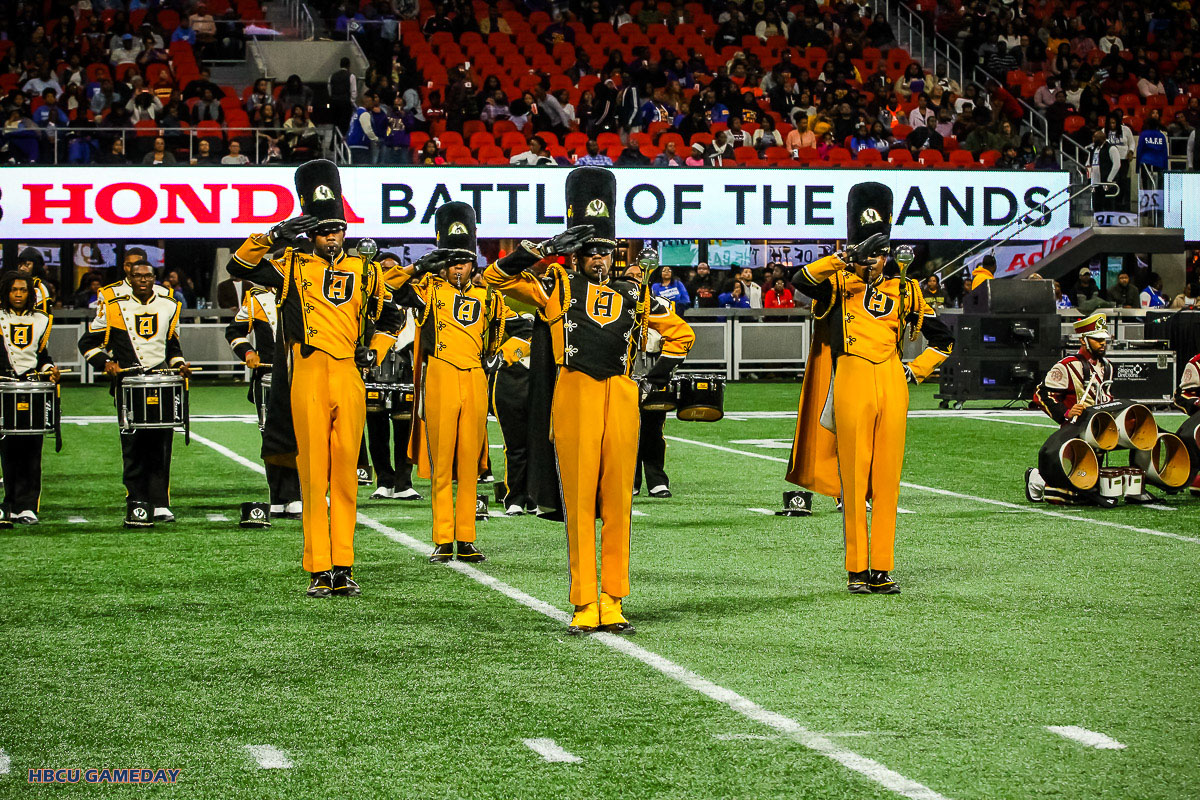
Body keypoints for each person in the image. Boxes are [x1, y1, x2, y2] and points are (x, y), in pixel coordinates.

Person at [482, 167, 695, 635]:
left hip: (620, 395)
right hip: (574, 394)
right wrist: (541, 250)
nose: (599, 259)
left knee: (618, 502)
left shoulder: (637, 294)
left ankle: (613, 599)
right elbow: (494, 279)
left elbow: (682, 334)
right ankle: (583, 601)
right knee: (578, 503)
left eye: (606, 251)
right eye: (590, 252)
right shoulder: (555, 287)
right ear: (576, 256)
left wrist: (651, 378)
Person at [226, 160, 403, 599]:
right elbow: (238, 266)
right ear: (310, 234)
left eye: (337, 229)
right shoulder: (290, 265)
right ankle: (318, 567)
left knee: (346, 475)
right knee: (312, 476)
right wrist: (272, 235)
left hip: (348, 375)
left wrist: (374, 352)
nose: (332, 237)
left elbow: (392, 317)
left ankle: (343, 565)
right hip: (306, 373)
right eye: (323, 231)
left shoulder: (367, 270)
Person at [787, 182, 954, 594]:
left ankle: (881, 567)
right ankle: (856, 569)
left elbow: (944, 339)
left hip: (892, 380)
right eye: (868, 253)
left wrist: (916, 369)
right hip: (852, 377)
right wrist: (844, 257)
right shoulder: (837, 283)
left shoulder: (906, 289)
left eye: (880, 253)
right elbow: (800, 280)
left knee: (887, 480)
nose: (874, 261)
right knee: (854, 479)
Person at [385, 203, 514, 563]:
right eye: (452, 261)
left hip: (474, 377)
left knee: (470, 463)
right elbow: (387, 287)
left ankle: (467, 537)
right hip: (440, 375)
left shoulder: (489, 296)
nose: (458, 267)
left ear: (474, 264)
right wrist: (417, 266)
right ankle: (443, 537)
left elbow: (518, 331)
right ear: (442, 264)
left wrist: (503, 355)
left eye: (464, 261)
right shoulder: (427, 291)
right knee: (442, 463)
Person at [78, 260, 192, 526]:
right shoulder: (114, 307)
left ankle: (160, 502)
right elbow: (87, 343)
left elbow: (172, 348)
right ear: (129, 278)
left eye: (148, 276)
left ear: (154, 278)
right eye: (137, 276)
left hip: (161, 384)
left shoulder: (169, 305)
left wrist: (180, 365)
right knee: (133, 446)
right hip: (128, 385)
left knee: (161, 445)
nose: (143, 280)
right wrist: (105, 363)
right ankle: (137, 502)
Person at [224, 284, 303, 518]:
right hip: (269, 376)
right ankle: (278, 497)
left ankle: (296, 494)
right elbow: (234, 331)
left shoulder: (309, 292)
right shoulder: (257, 300)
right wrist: (248, 352)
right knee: (272, 436)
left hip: (303, 375)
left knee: (300, 434)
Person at [1026, 314, 1115, 503]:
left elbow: (1106, 395)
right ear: (1083, 340)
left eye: (1104, 339)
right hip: (1076, 430)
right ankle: (1037, 479)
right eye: (1097, 339)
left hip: (1099, 430)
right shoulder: (1067, 366)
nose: (1102, 343)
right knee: (1071, 494)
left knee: (1091, 488)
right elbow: (1041, 394)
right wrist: (1065, 413)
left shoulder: (1107, 366)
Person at [0, 271, 59, 523]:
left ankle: (27, 506)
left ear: (30, 294)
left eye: (23, 290)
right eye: (13, 290)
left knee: (32, 449)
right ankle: (9, 503)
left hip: (32, 390)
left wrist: (50, 369)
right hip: (4, 389)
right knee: (7, 449)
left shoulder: (41, 320)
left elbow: (42, 356)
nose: (18, 294)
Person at [364, 253, 421, 502]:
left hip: (405, 370)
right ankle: (384, 481)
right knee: (376, 430)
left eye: (393, 269)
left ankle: (403, 483)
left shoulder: (414, 300)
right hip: (375, 368)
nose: (388, 273)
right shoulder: (369, 300)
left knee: (404, 430)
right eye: (383, 268)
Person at [12, 248, 53, 312]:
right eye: (20, 265)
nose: (22, 268)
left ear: (36, 266)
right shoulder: (14, 283)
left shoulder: (41, 286)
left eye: (27, 265)